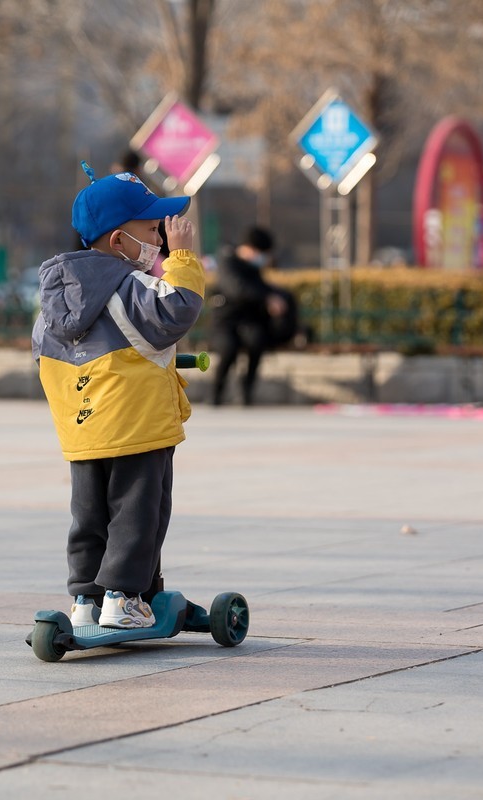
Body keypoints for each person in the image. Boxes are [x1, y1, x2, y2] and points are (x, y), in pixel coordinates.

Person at [32, 162, 204, 630]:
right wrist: (185, 260)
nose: (162, 239)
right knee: (138, 516)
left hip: (83, 431)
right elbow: (179, 308)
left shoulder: (54, 300)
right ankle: (125, 598)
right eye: (151, 229)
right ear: (117, 242)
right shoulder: (129, 286)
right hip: (139, 428)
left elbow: (43, 358)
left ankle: (85, 600)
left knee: (89, 516)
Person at [208, 226, 291, 406]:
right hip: (225, 322)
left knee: (257, 341)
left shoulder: (253, 269)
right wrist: (267, 298)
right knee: (228, 348)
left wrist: (277, 298)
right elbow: (237, 289)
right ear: (250, 248)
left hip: (247, 321)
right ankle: (216, 393)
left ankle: (246, 391)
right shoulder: (228, 262)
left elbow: (262, 287)